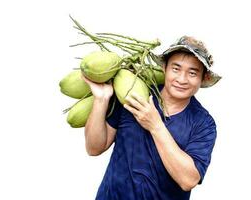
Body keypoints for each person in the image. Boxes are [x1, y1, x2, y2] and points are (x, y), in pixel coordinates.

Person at [83, 36, 221, 200]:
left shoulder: (203, 123)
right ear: (164, 68)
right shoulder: (133, 94)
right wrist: (101, 99)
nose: (182, 79)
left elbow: (188, 180)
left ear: (202, 78)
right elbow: (94, 148)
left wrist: (155, 125)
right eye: (176, 69)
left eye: (192, 73)